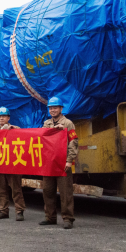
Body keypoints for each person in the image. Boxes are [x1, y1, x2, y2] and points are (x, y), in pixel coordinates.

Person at [39, 97, 79, 229]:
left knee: (65, 192)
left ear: (61, 108)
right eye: (50, 108)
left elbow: (73, 142)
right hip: (49, 163)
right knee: (47, 191)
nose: (52, 110)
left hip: (62, 163)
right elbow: (43, 139)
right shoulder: (46, 123)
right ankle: (50, 217)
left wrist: (69, 161)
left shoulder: (68, 123)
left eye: (55, 107)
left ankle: (68, 219)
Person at [0, 107, 26, 221]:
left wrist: (14, 129)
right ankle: (3, 210)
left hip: (13, 164)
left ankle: (19, 211)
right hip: (0, 164)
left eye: (3, 116)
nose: (1, 118)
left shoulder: (15, 129)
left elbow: (24, 138)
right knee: (1, 189)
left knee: (16, 189)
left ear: (8, 118)